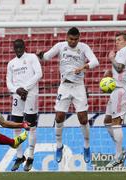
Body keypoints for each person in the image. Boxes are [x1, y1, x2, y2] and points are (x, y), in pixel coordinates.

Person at [37, 27, 99, 163]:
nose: (73, 41)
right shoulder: (60, 46)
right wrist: (40, 54)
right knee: (59, 117)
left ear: (79, 38)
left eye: (76, 39)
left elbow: (95, 62)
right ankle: (59, 146)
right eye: (71, 39)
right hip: (64, 86)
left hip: (78, 87)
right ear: (66, 37)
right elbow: (46, 57)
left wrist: (83, 67)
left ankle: (87, 146)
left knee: (83, 119)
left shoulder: (83, 47)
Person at [6, 39, 42, 171]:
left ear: (24, 47)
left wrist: (25, 88)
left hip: (30, 95)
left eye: (21, 47)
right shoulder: (11, 63)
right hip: (17, 97)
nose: (19, 49)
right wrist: (17, 90)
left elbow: (39, 74)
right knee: (16, 127)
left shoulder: (32, 58)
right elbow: (8, 83)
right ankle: (20, 156)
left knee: (31, 128)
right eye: (16, 47)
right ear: (13, 48)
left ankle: (31, 157)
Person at [103, 32, 126, 168]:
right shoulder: (121, 52)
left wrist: (111, 59)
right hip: (115, 90)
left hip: (121, 90)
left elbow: (120, 68)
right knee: (107, 121)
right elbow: (117, 69)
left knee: (116, 122)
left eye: (119, 40)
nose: (117, 42)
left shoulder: (125, 51)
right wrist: (109, 74)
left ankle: (118, 155)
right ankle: (120, 150)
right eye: (116, 40)